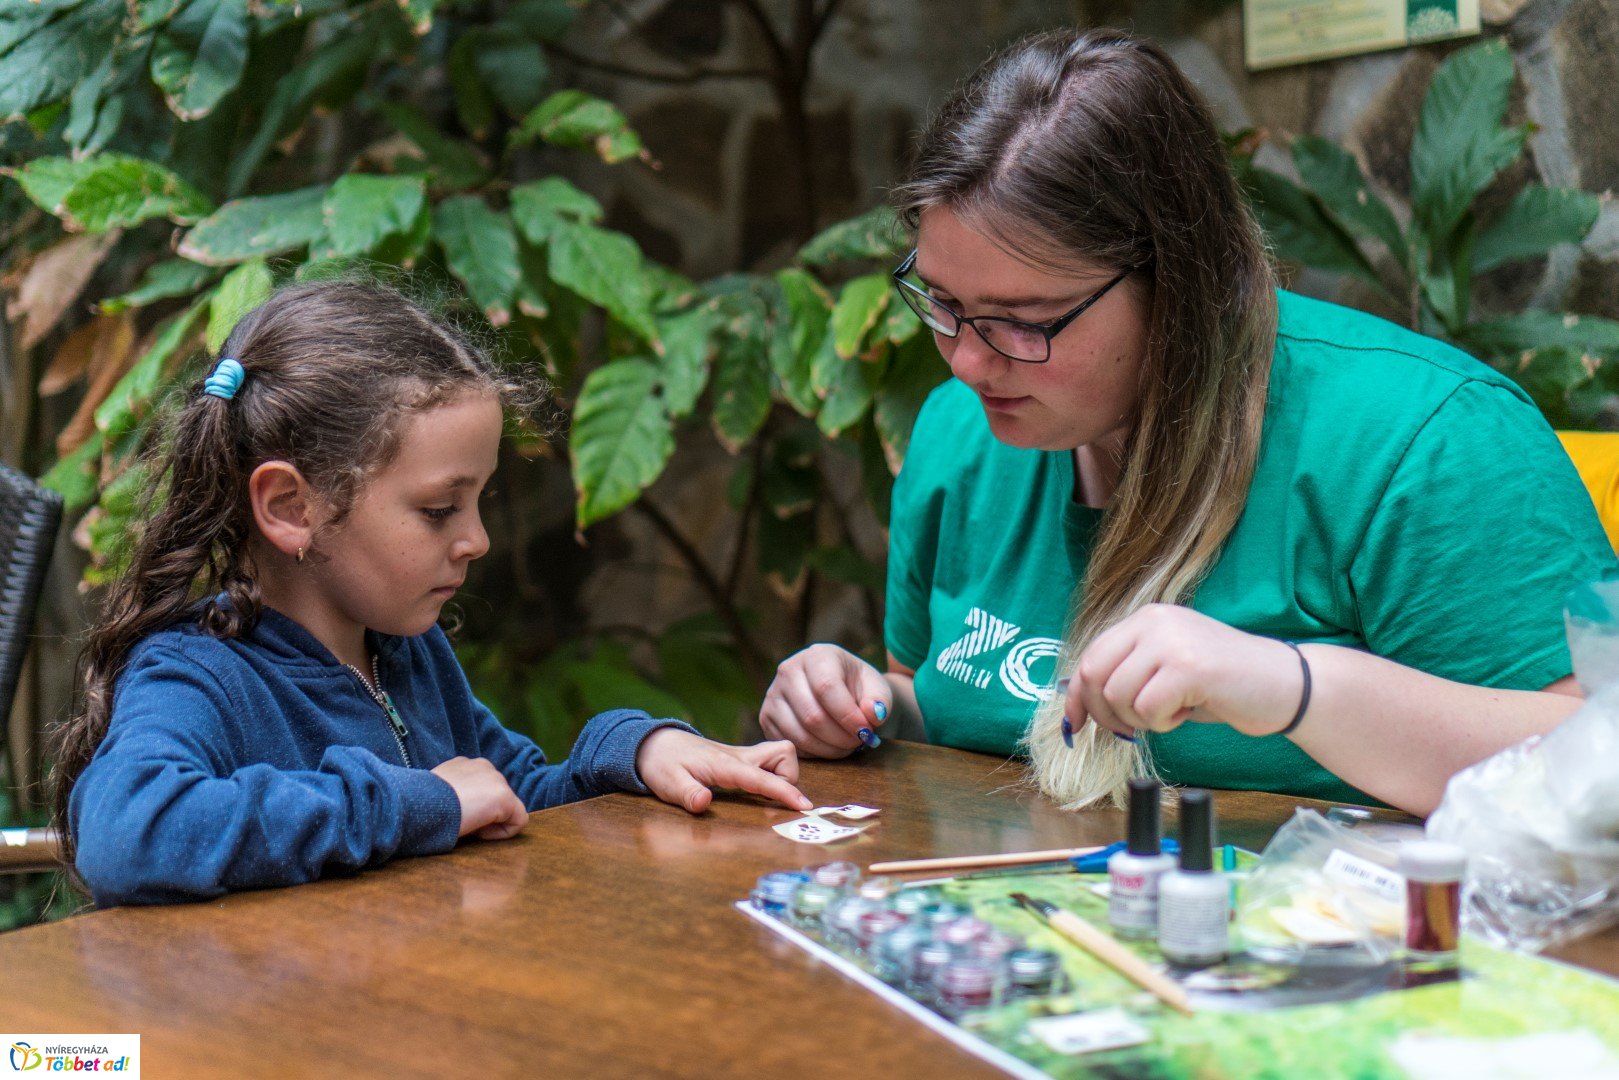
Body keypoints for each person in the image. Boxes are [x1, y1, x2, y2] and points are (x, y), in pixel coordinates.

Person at [758, 28, 1618, 816]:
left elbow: (1594, 760)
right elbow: (947, 699)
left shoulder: (1424, 439)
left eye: (1024, 322)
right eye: (941, 303)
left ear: (1177, 283)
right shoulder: (958, 433)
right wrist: (861, 702)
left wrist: (1295, 687)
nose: (967, 362)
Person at [54, 281, 812, 907]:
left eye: (478, 501)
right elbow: (128, 834)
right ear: (291, 507)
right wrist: (409, 804)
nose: (477, 539)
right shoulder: (197, 673)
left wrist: (635, 750)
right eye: (440, 509)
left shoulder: (409, 655)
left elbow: (505, 793)